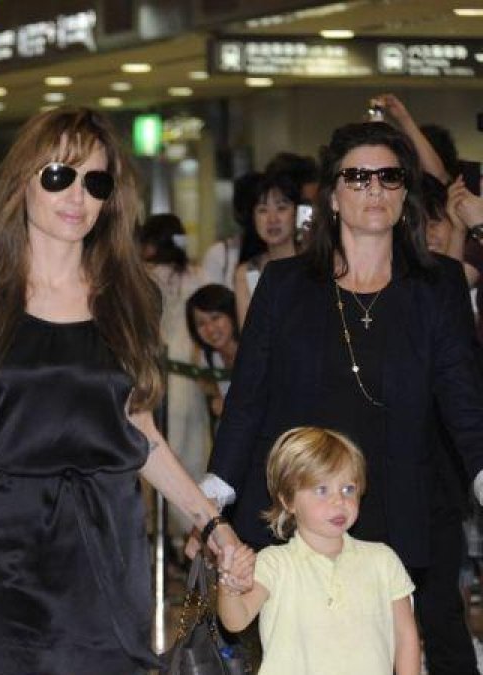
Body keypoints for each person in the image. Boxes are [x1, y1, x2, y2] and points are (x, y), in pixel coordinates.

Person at [0, 107, 248, 673]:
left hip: (106, 542)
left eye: (95, 182)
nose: (77, 197)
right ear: (24, 181)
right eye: (60, 175)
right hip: (2, 547)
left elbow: (141, 434)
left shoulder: (130, 297)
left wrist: (212, 525)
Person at [204, 121, 483, 675]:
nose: (374, 189)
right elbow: (248, 398)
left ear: (404, 193)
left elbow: (463, 400)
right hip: (302, 509)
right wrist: (213, 496)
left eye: (388, 177)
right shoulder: (284, 285)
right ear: (332, 196)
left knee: (421, 646)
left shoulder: (440, 285)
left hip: (406, 504)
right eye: (357, 177)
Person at [217, 426, 419, 675]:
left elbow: (405, 636)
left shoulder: (383, 560)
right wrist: (230, 589)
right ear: (288, 500)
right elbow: (236, 621)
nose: (339, 501)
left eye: (348, 489)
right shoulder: (274, 563)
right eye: (322, 490)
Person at [139, 213, 208, 489]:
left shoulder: (143, 276)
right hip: (191, 373)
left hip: (153, 369)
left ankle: (161, 513)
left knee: (158, 448)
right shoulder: (198, 275)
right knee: (193, 448)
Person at [233, 171, 300, 326]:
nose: (272, 219)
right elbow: (249, 335)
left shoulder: (318, 266)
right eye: (262, 210)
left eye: (281, 208)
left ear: (297, 213)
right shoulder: (246, 274)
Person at [185, 284, 240, 422]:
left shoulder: (258, 349)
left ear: (232, 314)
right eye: (201, 323)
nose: (210, 329)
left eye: (216, 318)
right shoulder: (208, 357)